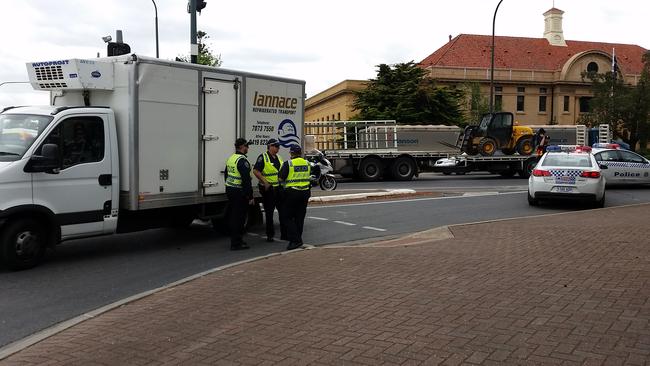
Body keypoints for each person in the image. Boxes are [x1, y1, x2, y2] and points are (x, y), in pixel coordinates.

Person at [278, 145, 313, 250]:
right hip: (305, 193)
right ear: (300, 153)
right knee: (299, 217)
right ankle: (297, 239)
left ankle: (296, 240)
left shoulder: (288, 164)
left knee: (286, 217)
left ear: (291, 153)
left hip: (292, 193)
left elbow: (280, 179)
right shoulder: (307, 163)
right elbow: (310, 176)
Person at [252, 138, 286, 242]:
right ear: (270, 146)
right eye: (276, 146)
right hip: (269, 189)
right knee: (269, 213)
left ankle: (284, 234)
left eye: (278, 146)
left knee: (283, 212)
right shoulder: (263, 157)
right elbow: (256, 171)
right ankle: (270, 235)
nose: (278, 148)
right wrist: (265, 182)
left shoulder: (279, 158)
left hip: (278, 188)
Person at [224, 138, 253, 250]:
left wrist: (228, 186)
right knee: (239, 218)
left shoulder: (232, 158)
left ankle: (237, 240)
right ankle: (236, 243)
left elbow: (226, 174)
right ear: (242, 147)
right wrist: (250, 196)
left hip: (231, 190)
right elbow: (246, 180)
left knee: (234, 216)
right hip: (239, 192)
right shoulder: (242, 161)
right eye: (247, 146)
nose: (248, 148)